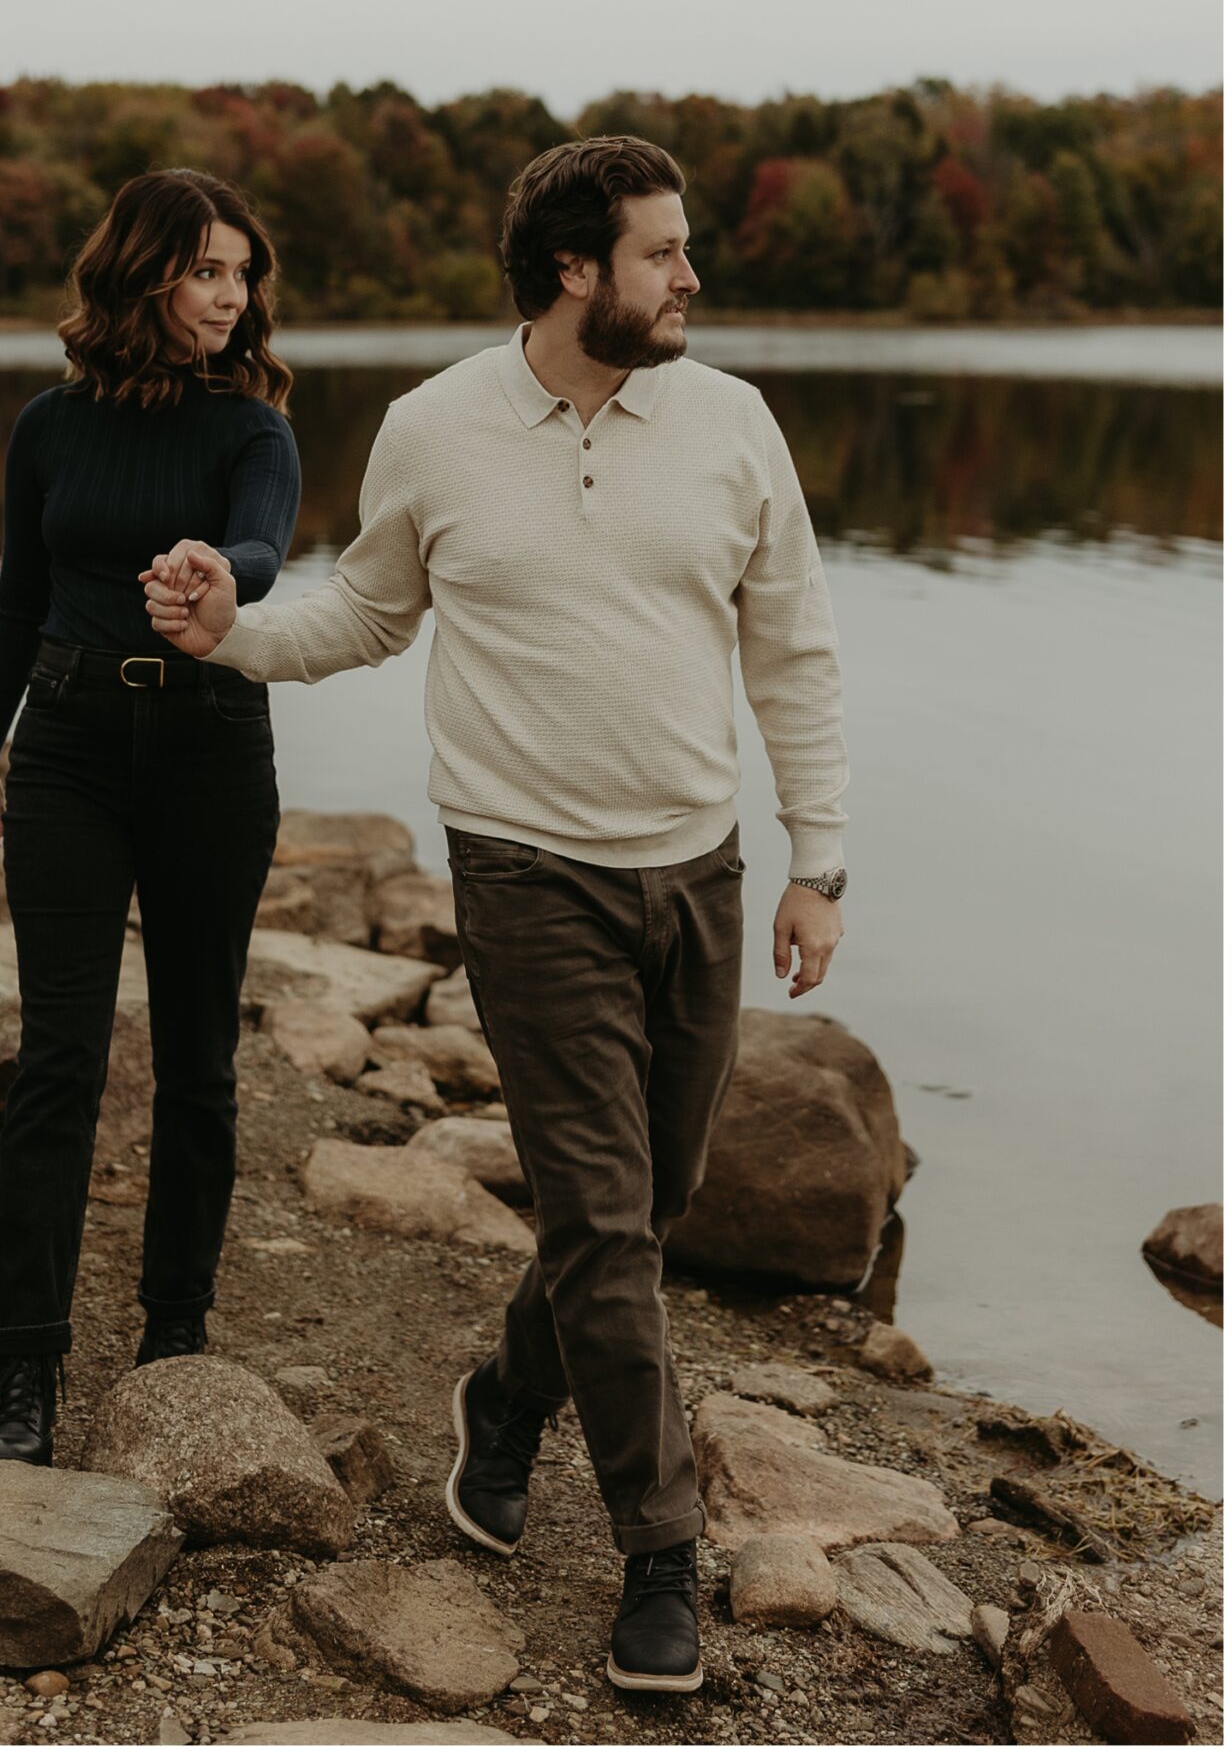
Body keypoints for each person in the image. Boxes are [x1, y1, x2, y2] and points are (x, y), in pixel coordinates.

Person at [141, 135, 849, 1696]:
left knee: (645, 1208)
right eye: (664, 254)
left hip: (704, 869)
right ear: (577, 270)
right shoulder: (437, 427)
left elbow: (792, 649)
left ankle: (507, 1402)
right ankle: (661, 1555)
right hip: (526, 872)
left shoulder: (731, 424)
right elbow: (371, 610)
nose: (691, 279)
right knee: (604, 1221)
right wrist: (230, 633)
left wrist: (822, 858)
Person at [0, 168, 301, 1468]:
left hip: (212, 749)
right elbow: (15, 592)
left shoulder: (251, 431)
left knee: (201, 1056)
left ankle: (171, 1339)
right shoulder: (49, 426)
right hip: (71, 750)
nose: (231, 296)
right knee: (61, 1062)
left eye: (243, 275)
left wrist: (222, 571)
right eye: (208, 270)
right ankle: (26, 1375)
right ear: (146, 273)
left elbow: (265, 549)